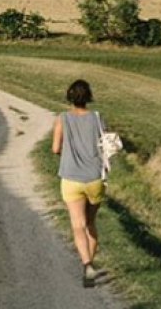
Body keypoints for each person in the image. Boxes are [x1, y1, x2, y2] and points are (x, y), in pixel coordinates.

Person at [51, 78, 107, 287]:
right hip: (95, 177)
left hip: (71, 178)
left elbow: (55, 149)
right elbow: (105, 144)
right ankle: (89, 264)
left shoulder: (62, 118)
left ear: (69, 97)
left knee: (78, 225)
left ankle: (86, 264)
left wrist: (67, 155)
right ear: (89, 97)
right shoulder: (98, 118)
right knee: (90, 223)